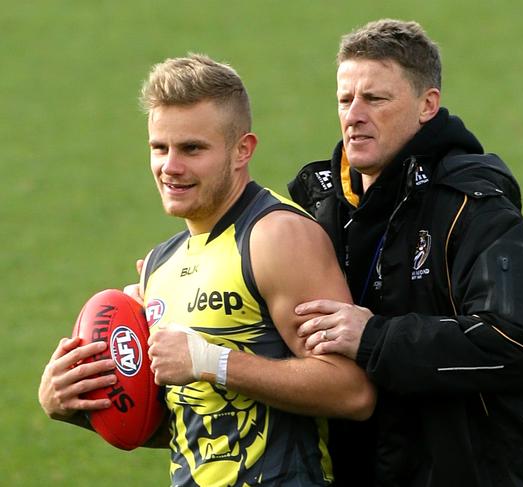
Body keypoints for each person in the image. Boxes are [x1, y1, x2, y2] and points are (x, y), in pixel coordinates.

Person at [38, 54, 376, 486]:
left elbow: (352, 392)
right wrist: (78, 405)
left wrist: (211, 361)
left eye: (192, 149)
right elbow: (188, 425)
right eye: (159, 148)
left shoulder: (278, 238)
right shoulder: (160, 264)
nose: (170, 167)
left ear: (242, 150)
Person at [288, 19, 523, 486]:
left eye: (376, 98)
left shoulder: (473, 206)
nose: (354, 114)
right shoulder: (317, 207)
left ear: (427, 105)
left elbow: (519, 345)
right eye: (345, 100)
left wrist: (374, 339)